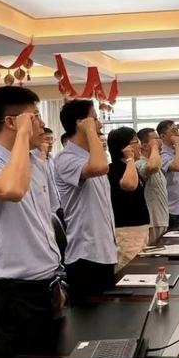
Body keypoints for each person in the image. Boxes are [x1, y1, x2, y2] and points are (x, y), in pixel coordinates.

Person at [0, 86, 65, 356]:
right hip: (11, 296)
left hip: (46, 287)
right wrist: (22, 135)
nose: (42, 124)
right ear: (11, 122)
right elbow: (12, 190)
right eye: (35, 117)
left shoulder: (35, 162)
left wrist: (55, 279)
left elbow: (42, 226)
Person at [55, 99, 116, 302]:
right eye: (94, 120)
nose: (99, 125)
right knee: (89, 319)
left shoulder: (92, 157)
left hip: (103, 251)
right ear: (80, 123)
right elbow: (100, 167)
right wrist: (90, 131)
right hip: (85, 255)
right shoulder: (66, 158)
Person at [107, 127, 151, 271]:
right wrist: (130, 158)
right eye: (136, 142)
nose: (140, 146)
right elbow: (130, 185)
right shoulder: (114, 169)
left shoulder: (130, 167)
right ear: (124, 147)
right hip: (126, 230)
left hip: (139, 228)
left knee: (142, 270)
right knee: (131, 270)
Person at [136, 127, 169, 244]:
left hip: (162, 219)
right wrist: (154, 147)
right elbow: (152, 167)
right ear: (145, 146)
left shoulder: (156, 165)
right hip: (152, 222)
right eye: (156, 140)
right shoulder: (140, 163)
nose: (160, 143)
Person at [157, 120, 179, 228]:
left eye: (177, 130)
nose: (177, 134)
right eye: (173, 131)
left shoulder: (174, 152)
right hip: (169, 209)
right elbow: (178, 167)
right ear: (163, 136)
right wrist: (177, 144)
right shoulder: (163, 153)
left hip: (178, 207)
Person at [33, 127, 63, 223]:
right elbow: (39, 176)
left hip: (58, 205)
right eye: (47, 139)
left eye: (52, 139)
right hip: (44, 207)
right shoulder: (34, 158)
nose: (50, 142)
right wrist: (43, 153)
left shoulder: (51, 159)